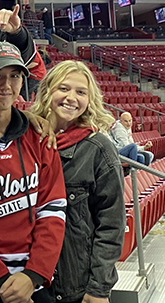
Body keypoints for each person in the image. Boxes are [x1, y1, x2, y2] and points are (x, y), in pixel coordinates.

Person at [0, 42, 67, 303]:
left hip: (34, 281)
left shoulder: (39, 137)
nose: (7, 84)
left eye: (15, 76)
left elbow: (53, 210)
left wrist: (34, 274)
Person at [29, 60, 125, 303]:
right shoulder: (26, 139)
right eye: (63, 88)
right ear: (48, 90)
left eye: (81, 92)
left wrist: (99, 289)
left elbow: (111, 226)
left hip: (75, 287)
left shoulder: (99, 149)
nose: (71, 97)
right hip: (29, 283)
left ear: (89, 100)